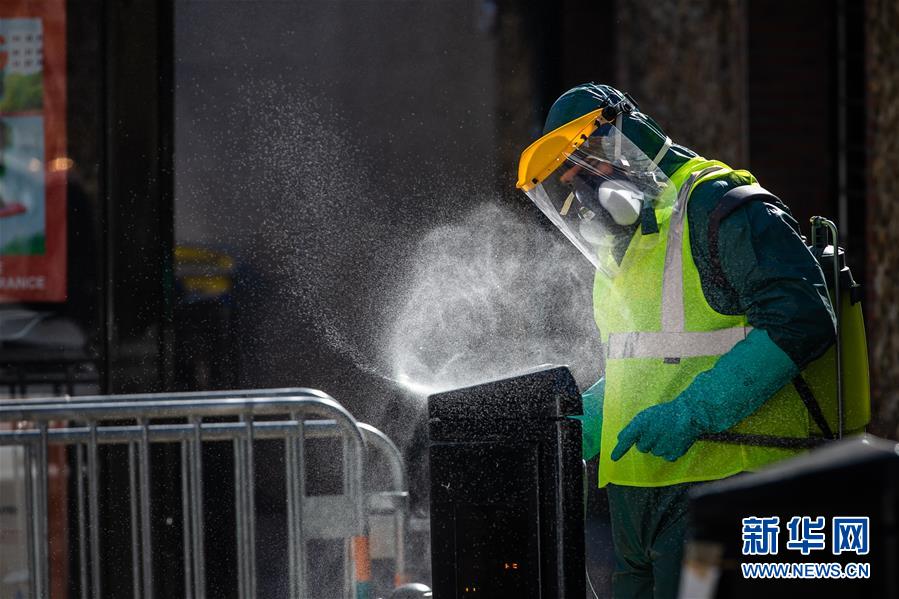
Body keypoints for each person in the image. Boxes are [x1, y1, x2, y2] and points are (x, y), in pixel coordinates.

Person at [516, 83, 842, 598]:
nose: (583, 190)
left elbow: (802, 318)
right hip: (635, 502)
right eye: (568, 180)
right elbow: (640, 357)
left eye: (589, 163)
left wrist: (695, 412)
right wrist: (585, 419)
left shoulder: (718, 206)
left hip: (727, 486)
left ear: (626, 139)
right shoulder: (622, 247)